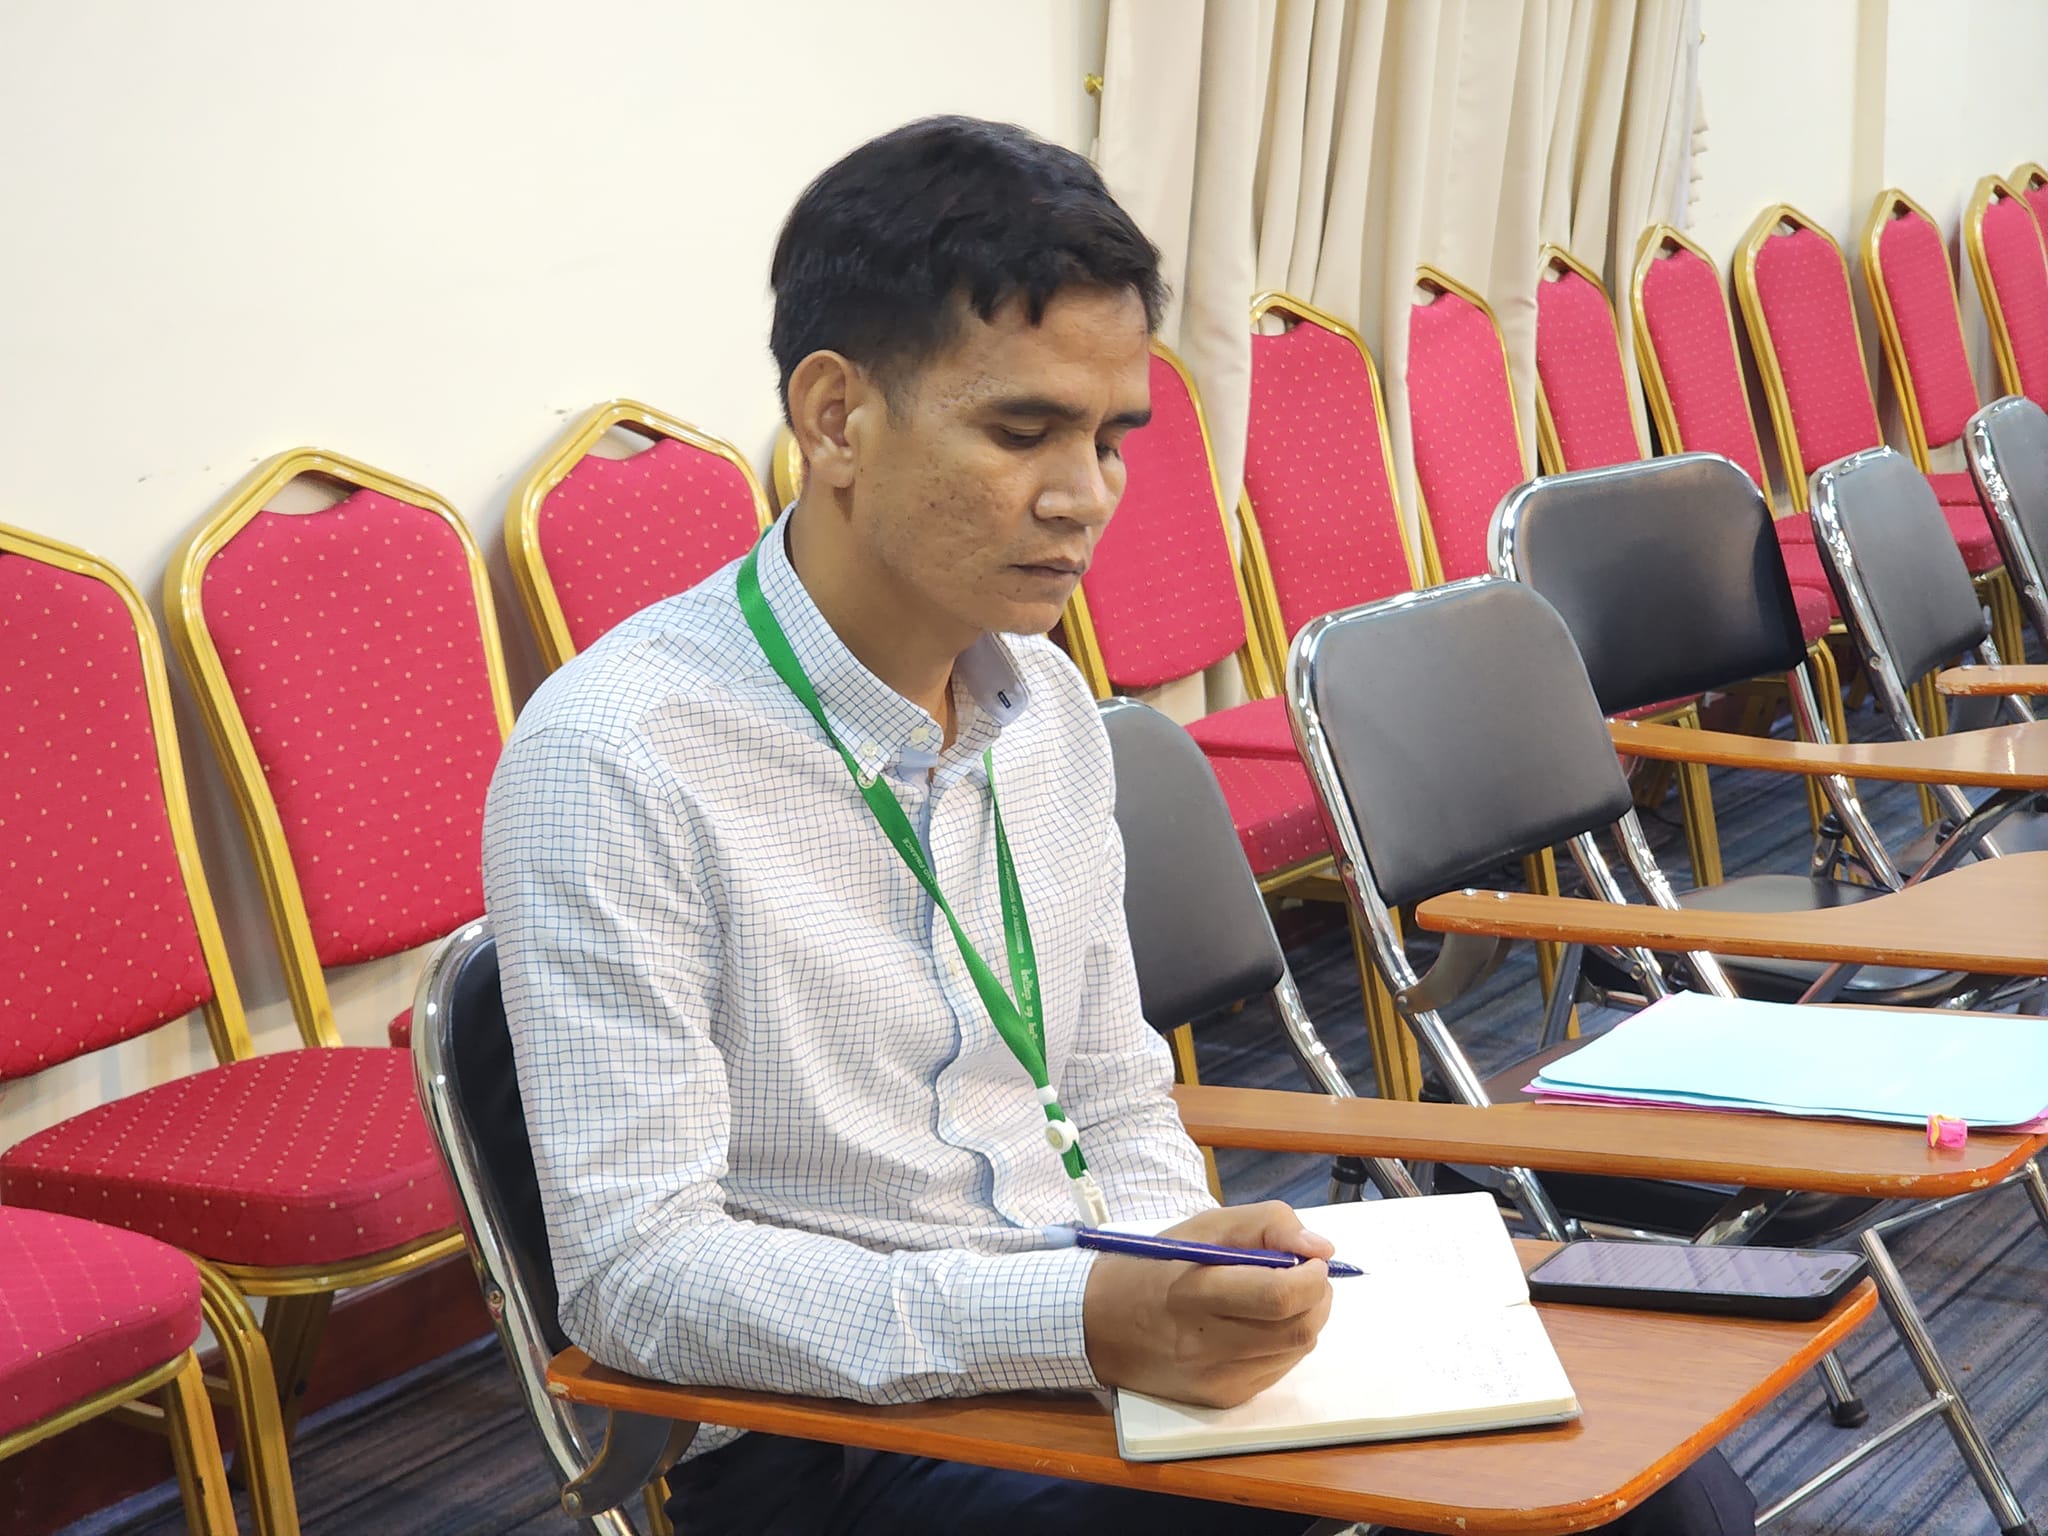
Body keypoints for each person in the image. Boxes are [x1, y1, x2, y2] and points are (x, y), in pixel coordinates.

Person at [483, 115, 1756, 1536]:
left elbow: (1108, 1088)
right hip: (837, 1430)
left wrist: (1189, 1259)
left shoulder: (1044, 707)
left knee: (1653, 1486)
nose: (1084, 496)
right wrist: (1083, 1317)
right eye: (1022, 431)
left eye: (1109, 439)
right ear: (836, 418)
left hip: (1084, 1337)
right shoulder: (620, 757)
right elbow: (637, 1276)